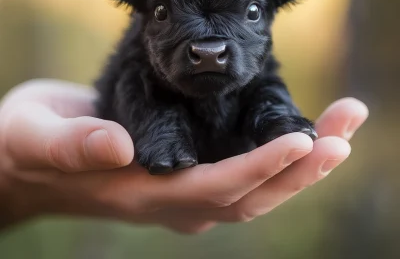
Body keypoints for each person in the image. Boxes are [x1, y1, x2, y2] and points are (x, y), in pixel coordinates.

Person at [0, 79, 368, 234]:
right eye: (163, 11)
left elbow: (266, 91)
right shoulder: (134, 75)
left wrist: (274, 120)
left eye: (252, 10)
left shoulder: (262, 76)